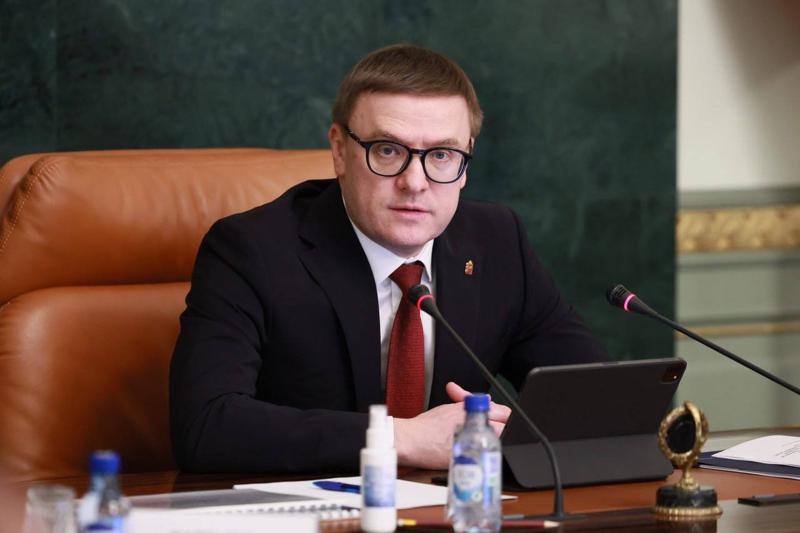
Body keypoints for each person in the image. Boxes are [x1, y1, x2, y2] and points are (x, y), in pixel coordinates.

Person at [170, 43, 608, 474]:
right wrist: (401, 438)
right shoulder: (252, 250)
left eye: (442, 155)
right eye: (387, 150)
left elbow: (598, 395)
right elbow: (205, 426)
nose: (414, 182)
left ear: (466, 161)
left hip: (454, 506)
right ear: (339, 150)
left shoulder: (496, 242)